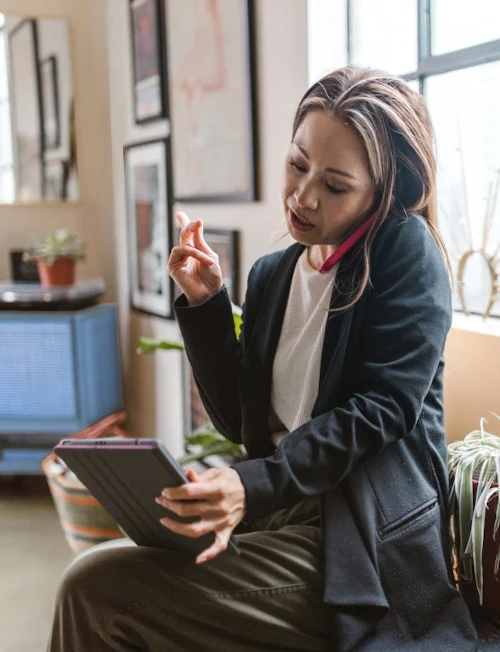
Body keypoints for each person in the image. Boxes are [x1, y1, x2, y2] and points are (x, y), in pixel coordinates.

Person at [47, 66, 479, 652]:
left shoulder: (406, 253)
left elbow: (381, 410)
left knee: (93, 587)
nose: (302, 197)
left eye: (335, 184)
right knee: (109, 571)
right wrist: (205, 304)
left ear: (385, 194)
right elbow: (238, 422)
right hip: (276, 517)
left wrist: (249, 486)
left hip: (358, 544)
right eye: (298, 164)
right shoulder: (274, 275)